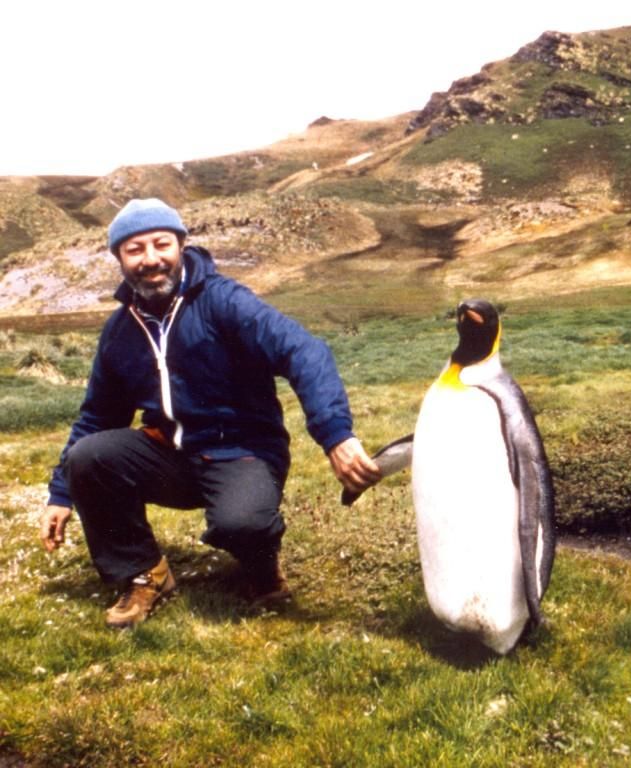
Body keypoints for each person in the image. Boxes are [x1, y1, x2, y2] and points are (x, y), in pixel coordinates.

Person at [39, 198, 381, 628]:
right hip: (169, 456)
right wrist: (61, 493)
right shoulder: (120, 330)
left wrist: (336, 435)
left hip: (241, 452)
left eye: (161, 244)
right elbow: (97, 415)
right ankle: (143, 573)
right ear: (119, 259)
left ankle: (260, 565)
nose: (151, 259)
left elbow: (303, 351)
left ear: (180, 245)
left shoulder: (225, 301)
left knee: (243, 523)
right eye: (135, 249)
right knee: (88, 455)